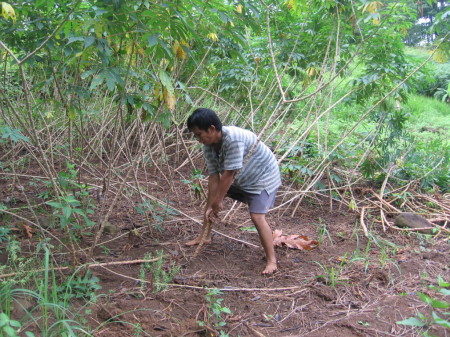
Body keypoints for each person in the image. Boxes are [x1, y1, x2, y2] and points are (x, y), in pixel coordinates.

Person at [185, 108, 281, 274]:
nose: (198, 139)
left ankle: (272, 261)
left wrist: (218, 201)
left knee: (257, 216)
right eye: (195, 135)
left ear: (212, 129)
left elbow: (229, 174)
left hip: (262, 179)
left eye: (199, 134)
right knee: (211, 200)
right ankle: (205, 236)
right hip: (242, 179)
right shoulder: (209, 145)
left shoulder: (234, 139)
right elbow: (214, 177)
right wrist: (211, 205)